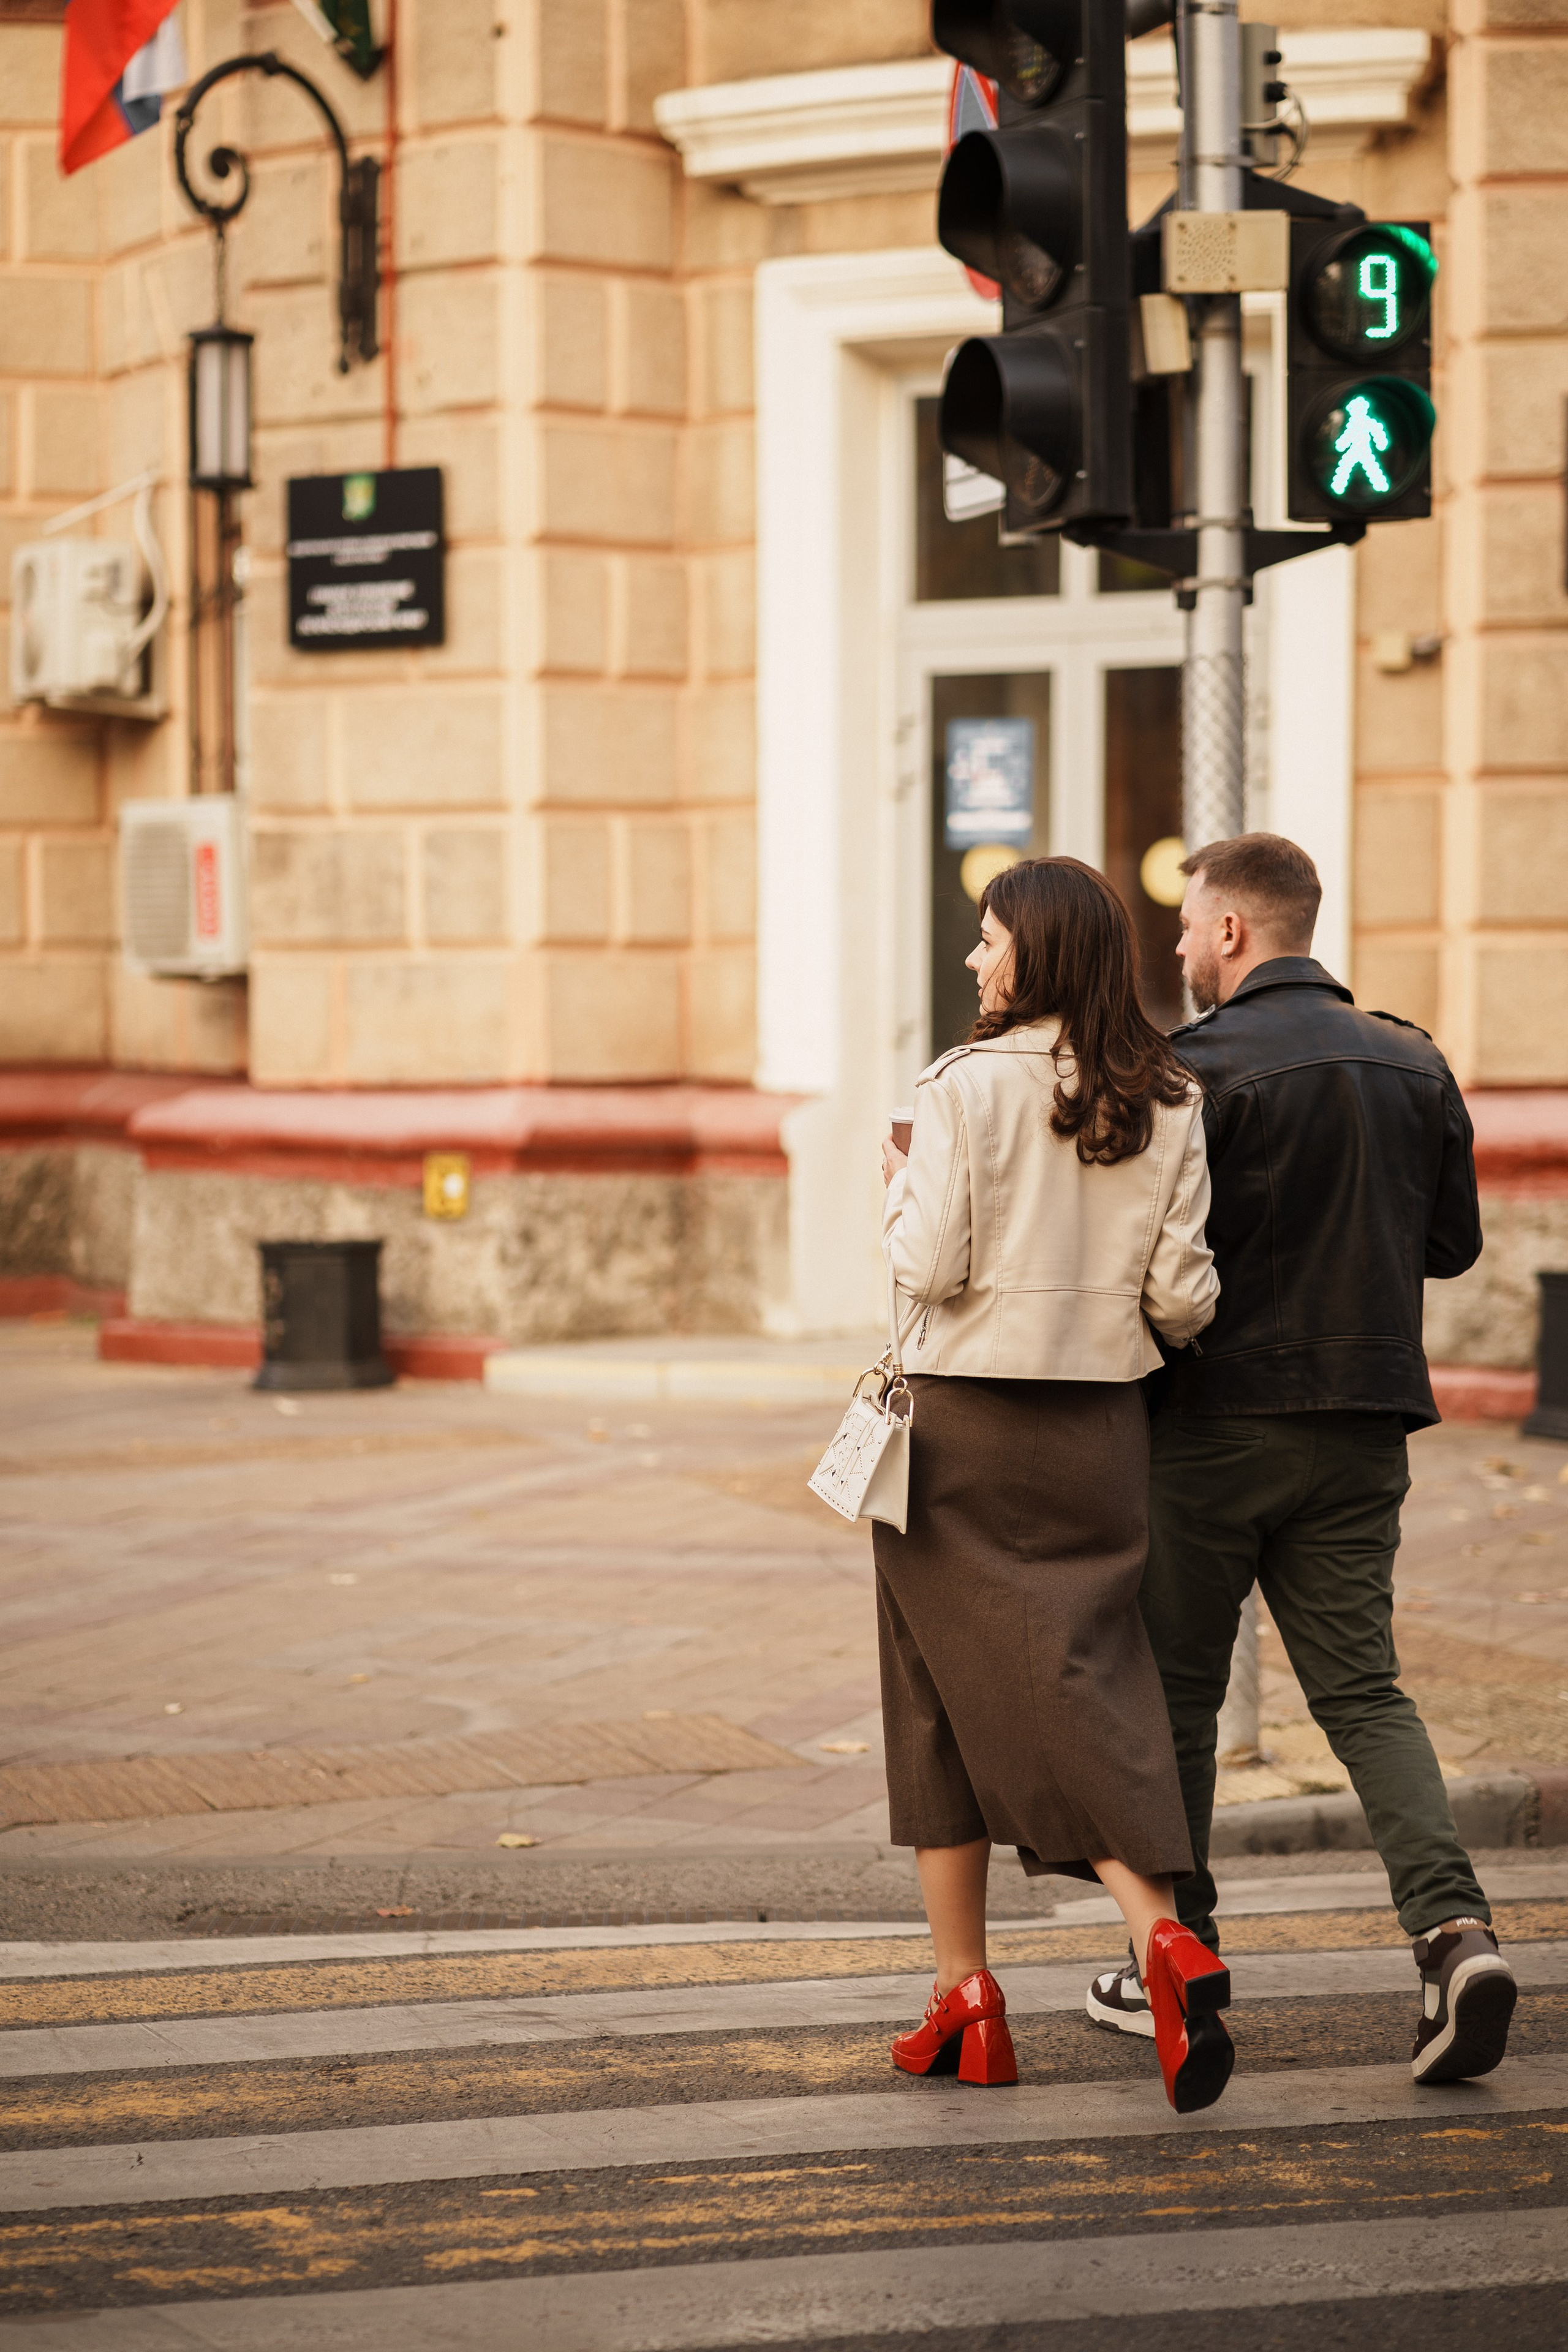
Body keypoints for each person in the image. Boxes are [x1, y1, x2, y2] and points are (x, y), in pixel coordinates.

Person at [1085, 832, 1518, 2086]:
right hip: (1364, 1423)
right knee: (1365, 1693)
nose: (1178, 946)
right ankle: (1454, 1938)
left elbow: (1144, 1257)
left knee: (1174, 1699)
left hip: (1212, 1429)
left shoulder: (1188, 1070)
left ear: (1229, 930)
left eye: (1185, 926)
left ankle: (1179, 1961)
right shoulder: (1412, 1059)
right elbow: (1449, 1249)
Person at [877, 855, 1231, 2113]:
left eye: (990, 939)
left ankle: (983, 1991)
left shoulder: (958, 1087)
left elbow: (928, 1267)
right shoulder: (1169, 1094)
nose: (976, 959)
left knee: (934, 1698)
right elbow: (1183, 1300)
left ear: (1037, 951)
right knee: (1087, 1676)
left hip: (960, 1426)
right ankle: (1143, 1941)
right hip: (1099, 1425)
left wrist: (892, 1190)